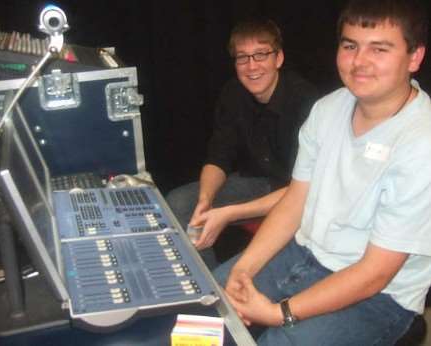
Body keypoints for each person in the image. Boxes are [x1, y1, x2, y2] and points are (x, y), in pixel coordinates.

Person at [212, 0, 431, 344]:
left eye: (379, 49)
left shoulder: (422, 142)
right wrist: (244, 269)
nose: (360, 62)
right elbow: (296, 200)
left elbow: (375, 274)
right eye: (350, 46)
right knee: (203, 313)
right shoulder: (328, 109)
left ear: (415, 57)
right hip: (302, 253)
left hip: (381, 297)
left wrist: (278, 312)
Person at [165, 19, 318, 268]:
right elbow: (219, 157)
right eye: (242, 58)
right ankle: (210, 287)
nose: (251, 66)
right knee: (181, 204)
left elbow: (303, 190)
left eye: (260, 55)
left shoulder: (306, 101)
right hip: (261, 183)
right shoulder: (233, 93)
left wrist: (228, 214)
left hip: (302, 197)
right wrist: (205, 200)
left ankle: (233, 284)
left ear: (278, 58)